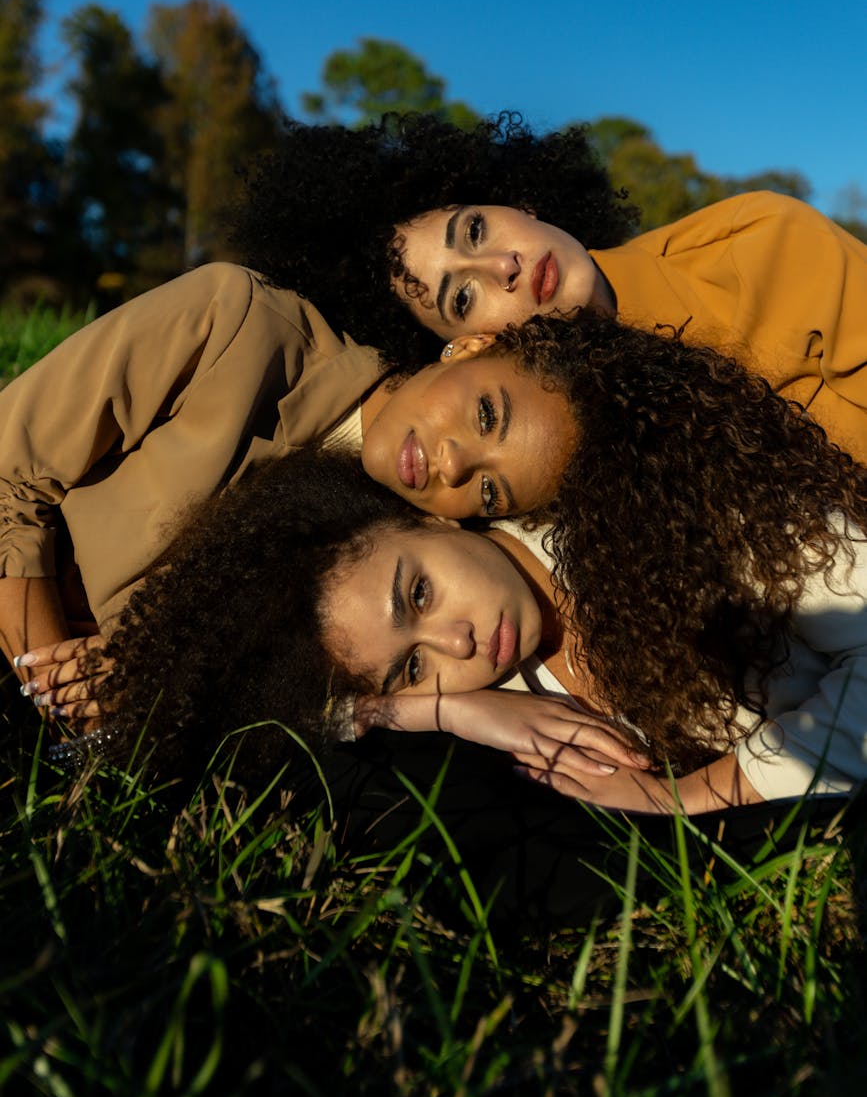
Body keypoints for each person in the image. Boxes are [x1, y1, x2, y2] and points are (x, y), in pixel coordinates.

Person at [33, 298, 867, 811]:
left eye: (420, 598)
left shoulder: (686, 517)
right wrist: (438, 710)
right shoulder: (491, 690)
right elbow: (263, 721)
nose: (457, 647)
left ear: (435, 523)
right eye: (411, 667)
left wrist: (689, 798)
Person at [0, 264, 577, 674]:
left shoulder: (396, 571)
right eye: (484, 415)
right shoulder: (238, 322)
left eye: (488, 491)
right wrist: (51, 685)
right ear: (470, 348)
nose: (452, 464)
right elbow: (9, 468)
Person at [233, 114, 867, 462]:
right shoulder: (532, 457)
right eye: (461, 297)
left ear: (521, 203)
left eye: (474, 229)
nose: (499, 268)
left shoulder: (761, 240)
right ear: (470, 346)